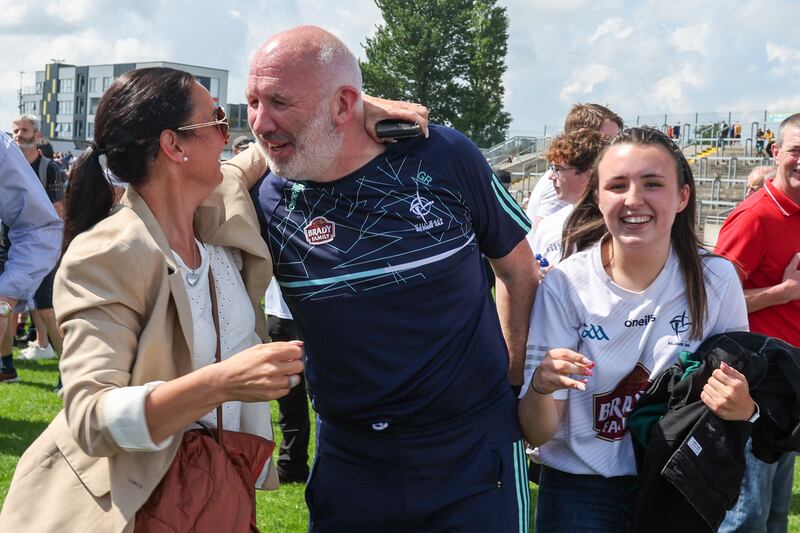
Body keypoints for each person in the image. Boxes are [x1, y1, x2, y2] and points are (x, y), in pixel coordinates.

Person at [0, 66, 427, 530]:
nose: (230, 134)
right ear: (174, 145)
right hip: (133, 505)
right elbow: (92, 417)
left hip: (212, 491)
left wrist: (350, 110)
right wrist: (220, 382)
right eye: (218, 120)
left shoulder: (211, 212)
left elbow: (260, 151)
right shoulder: (107, 253)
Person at [249, 26, 537, 531]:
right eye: (251, 101)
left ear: (342, 105)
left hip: (470, 450)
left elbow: (516, 269)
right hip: (351, 459)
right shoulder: (267, 197)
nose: (258, 120)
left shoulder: (444, 155)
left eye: (278, 101)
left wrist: (514, 378)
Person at [518, 127, 755, 532]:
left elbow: (741, 409)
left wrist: (743, 406)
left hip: (677, 484)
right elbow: (536, 430)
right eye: (617, 185)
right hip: (579, 491)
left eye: (652, 183)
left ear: (682, 196)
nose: (633, 199)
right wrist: (541, 386)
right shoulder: (565, 285)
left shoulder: (716, 279)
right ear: (597, 197)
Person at [714, 113, 800, 533]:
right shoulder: (754, 217)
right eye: (796, 151)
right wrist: (780, 293)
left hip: (791, 382)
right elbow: (711, 302)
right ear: (775, 153)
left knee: (776, 513)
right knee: (746, 513)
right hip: (756, 385)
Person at [0, 132, 62, 383]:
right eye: (17, 129)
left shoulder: (51, 168)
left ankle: (71, 372)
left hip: (27, 256)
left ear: (37, 136)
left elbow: (47, 219)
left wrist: (5, 298)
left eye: (25, 129)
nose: (19, 134)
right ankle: (6, 366)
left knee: (46, 311)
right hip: (15, 253)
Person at [525, 103, 622, 233]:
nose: (614, 147)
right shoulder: (565, 181)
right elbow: (545, 235)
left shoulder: (567, 175)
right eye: (608, 139)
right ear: (582, 135)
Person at [527, 129, 608, 270]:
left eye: (557, 169)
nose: (551, 176)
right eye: (552, 168)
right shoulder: (548, 225)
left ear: (589, 174)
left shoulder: (613, 225)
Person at [264, 278, 310, 484]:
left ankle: (336, 464)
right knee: (286, 392)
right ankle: (291, 464)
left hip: (310, 308)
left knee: (321, 393)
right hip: (277, 312)